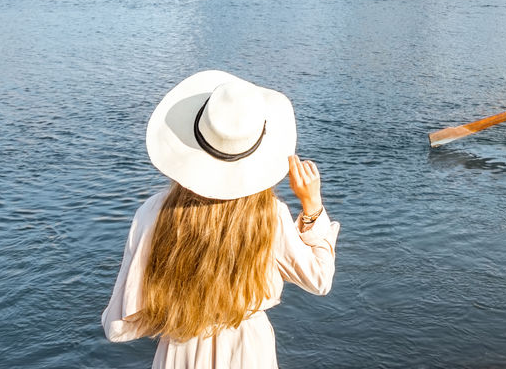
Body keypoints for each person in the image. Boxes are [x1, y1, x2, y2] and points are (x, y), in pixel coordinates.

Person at [104, 70, 338, 368]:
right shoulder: (269, 216)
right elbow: (319, 280)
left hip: (180, 350)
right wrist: (312, 206)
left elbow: (120, 322)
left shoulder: (154, 212)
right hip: (248, 352)